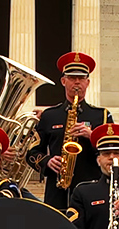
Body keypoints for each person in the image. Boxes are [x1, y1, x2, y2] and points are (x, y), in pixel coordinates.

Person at [26, 53, 112, 211]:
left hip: (92, 188)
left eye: (81, 78)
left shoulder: (102, 115)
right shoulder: (49, 115)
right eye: (72, 78)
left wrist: (92, 136)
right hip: (57, 190)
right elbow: (31, 152)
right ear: (63, 81)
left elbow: (114, 152)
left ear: (88, 82)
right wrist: (47, 161)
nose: (77, 82)